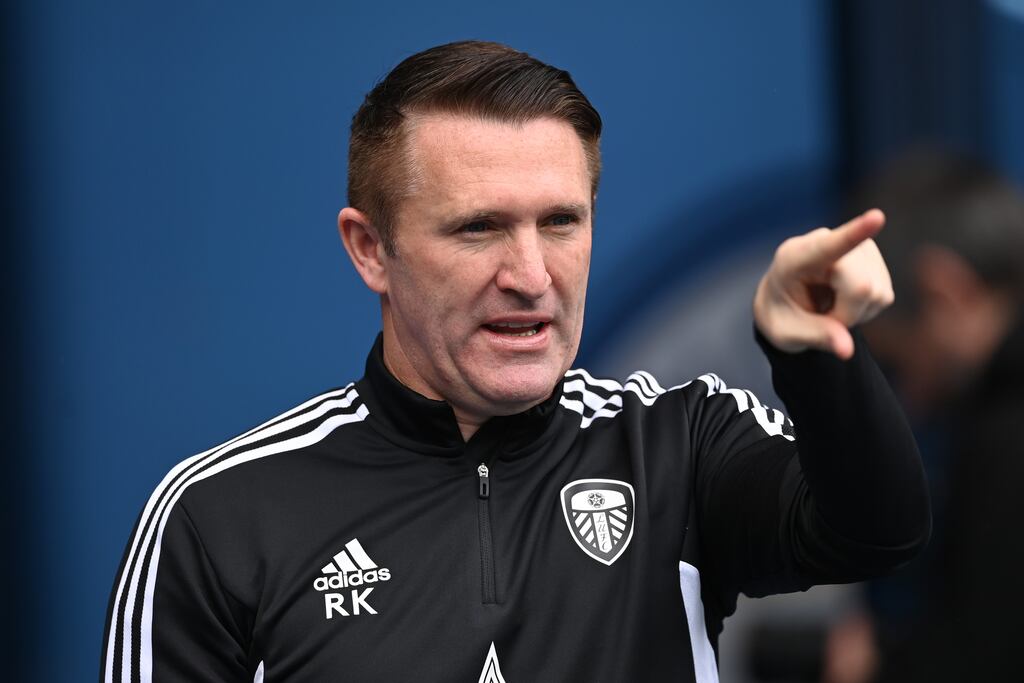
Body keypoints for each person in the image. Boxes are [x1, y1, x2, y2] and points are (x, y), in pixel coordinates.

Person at [100, 41, 930, 682]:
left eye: (561, 222)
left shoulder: (677, 441)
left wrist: (812, 354)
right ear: (371, 249)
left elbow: (876, 531)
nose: (531, 276)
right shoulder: (218, 515)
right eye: (479, 227)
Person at [822, 150, 1024, 683]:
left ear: (944, 292)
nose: (906, 399)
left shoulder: (1007, 437)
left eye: (894, 362)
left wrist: (877, 666)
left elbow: (985, 659)